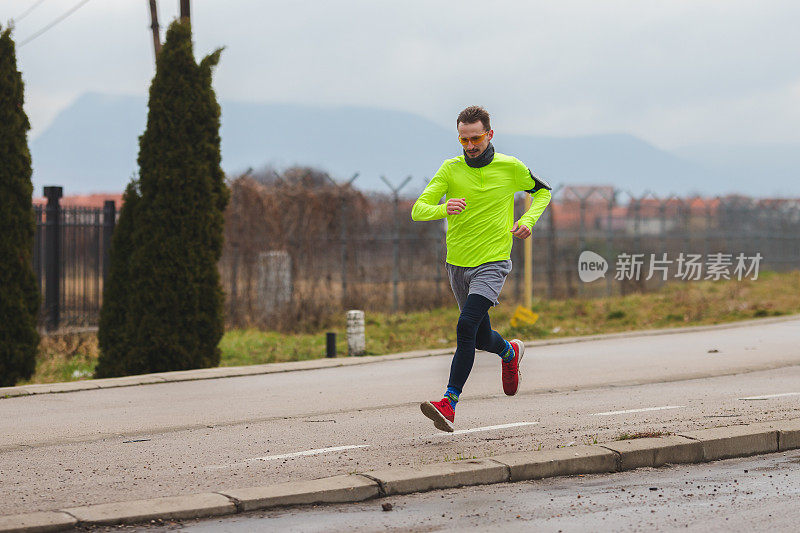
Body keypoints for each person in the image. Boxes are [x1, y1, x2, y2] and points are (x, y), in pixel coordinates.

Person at [411, 105, 552, 432]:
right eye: (464, 140)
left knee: (465, 326)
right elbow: (419, 209)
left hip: (492, 262)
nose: (470, 145)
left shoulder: (510, 167)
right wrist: (444, 207)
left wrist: (528, 219)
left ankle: (449, 402)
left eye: (475, 138)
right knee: (479, 335)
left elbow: (543, 191)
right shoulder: (450, 169)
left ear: (489, 134)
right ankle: (509, 351)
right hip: (457, 265)